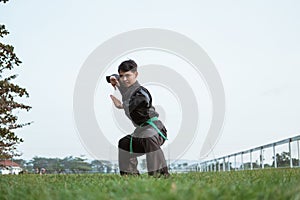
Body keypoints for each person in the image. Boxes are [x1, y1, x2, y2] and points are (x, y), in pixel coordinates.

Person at [106, 59, 169, 177]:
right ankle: (130, 176)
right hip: (140, 131)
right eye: (121, 76)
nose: (124, 79)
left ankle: (160, 175)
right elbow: (117, 81)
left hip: (156, 130)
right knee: (124, 143)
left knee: (148, 136)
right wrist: (113, 78)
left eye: (128, 75)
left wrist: (122, 105)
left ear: (136, 74)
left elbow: (142, 101)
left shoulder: (141, 91)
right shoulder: (126, 88)